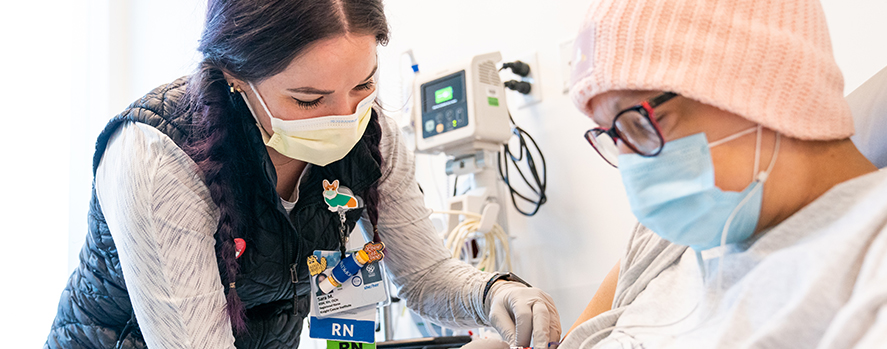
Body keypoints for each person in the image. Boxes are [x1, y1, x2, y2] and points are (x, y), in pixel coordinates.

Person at [44, 0, 559, 348]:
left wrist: (495, 294)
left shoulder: (373, 137)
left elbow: (425, 278)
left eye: (363, 85)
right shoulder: (158, 153)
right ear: (235, 77)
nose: (344, 118)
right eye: (308, 99)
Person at [561, 0, 887, 347]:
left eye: (641, 122)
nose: (632, 166)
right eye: (611, 135)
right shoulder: (663, 238)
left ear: (765, 89)